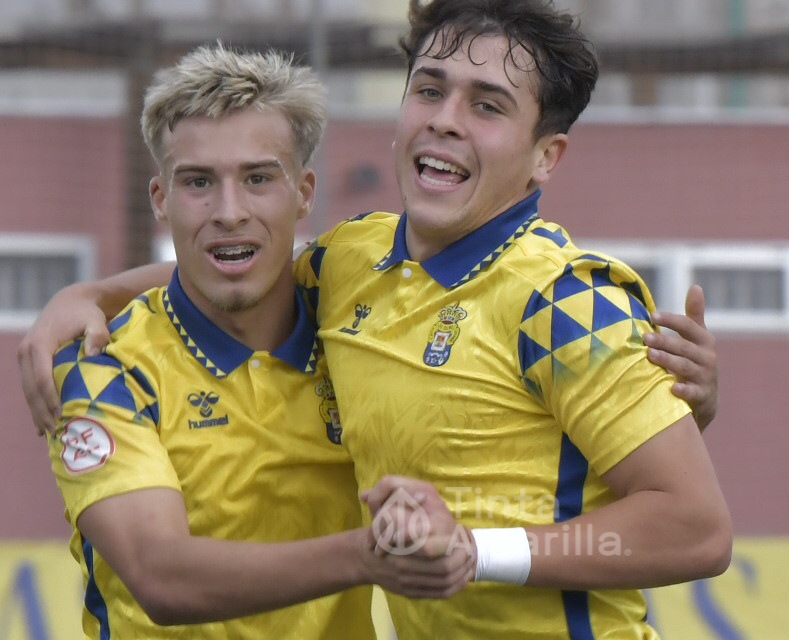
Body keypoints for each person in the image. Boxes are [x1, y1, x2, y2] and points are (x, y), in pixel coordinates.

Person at [17, 1, 726, 638]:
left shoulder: (570, 302)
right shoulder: (352, 264)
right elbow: (242, 269)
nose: (445, 118)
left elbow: (696, 530)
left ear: (546, 156)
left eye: (487, 105)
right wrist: (90, 295)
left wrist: (478, 551)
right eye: (430, 90)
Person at [41, 43, 470, 639]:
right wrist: (366, 555)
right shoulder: (101, 365)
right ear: (161, 200)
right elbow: (161, 577)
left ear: (304, 191)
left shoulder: (355, 323)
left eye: (259, 178)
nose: (229, 211)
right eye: (198, 181)